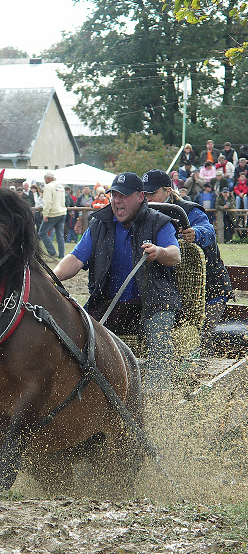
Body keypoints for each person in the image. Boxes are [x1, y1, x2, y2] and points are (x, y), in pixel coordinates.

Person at [53, 172, 181, 395]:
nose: (117, 200)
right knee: (73, 333)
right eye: (114, 195)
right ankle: (77, 393)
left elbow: (174, 255)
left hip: (154, 303)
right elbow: (75, 259)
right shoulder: (99, 224)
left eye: (124, 195)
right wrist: (51, 278)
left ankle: (158, 397)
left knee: (158, 332)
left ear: (140, 197)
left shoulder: (159, 222)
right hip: (109, 302)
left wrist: (158, 252)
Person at [143, 169, 234, 355]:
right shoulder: (146, 213)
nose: (148, 197)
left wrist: (196, 233)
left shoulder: (189, 210)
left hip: (211, 286)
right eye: (144, 193)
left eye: (152, 193)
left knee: (204, 336)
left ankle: (201, 370)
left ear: (168, 191)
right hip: (173, 287)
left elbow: (208, 230)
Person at [39, 171, 66, 259]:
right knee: (60, 235)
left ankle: (52, 252)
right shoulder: (61, 186)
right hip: (62, 212)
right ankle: (61, 254)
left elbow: (47, 201)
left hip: (53, 213)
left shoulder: (49, 187)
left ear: (47, 179)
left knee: (42, 232)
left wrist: (45, 213)